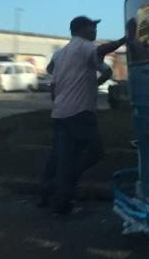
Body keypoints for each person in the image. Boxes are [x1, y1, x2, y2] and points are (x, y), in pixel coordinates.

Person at [39, 16, 127, 214]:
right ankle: (61, 191)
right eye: (92, 27)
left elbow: (52, 77)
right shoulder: (84, 46)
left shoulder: (61, 53)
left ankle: (53, 193)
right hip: (80, 112)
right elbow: (101, 50)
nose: (95, 30)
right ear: (80, 29)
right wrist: (124, 40)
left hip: (60, 113)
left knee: (61, 156)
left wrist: (86, 85)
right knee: (94, 153)